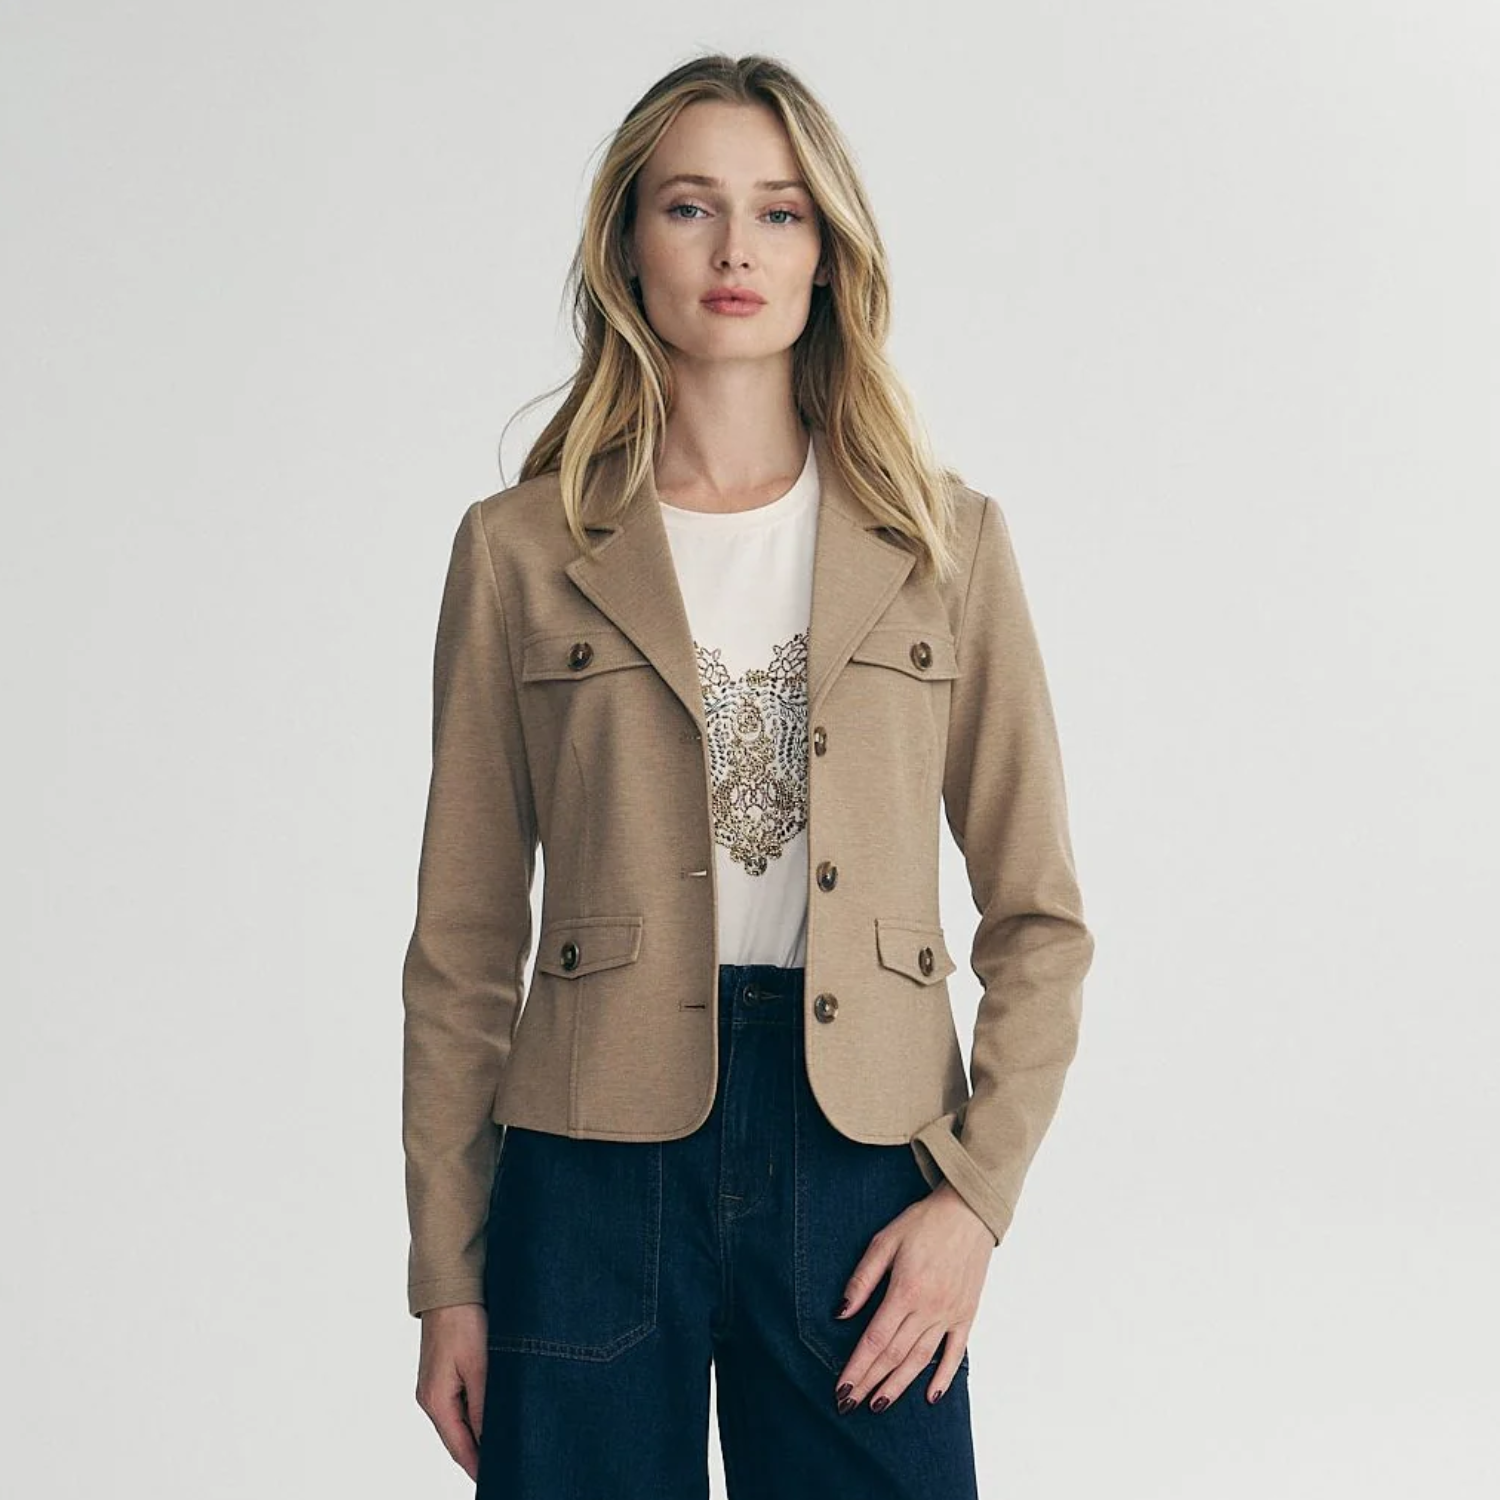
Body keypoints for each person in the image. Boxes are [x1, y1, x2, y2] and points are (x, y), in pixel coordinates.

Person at [402, 51, 1095, 1498]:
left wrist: (975, 1200)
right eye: (690, 207)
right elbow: (463, 946)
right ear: (626, 247)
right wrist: (448, 1272)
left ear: (828, 254)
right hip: (588, 1172)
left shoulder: (946, 545)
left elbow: (1040, 921)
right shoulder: (518, 551)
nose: (736, 251)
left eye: (780, 213)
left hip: (864, 1164)